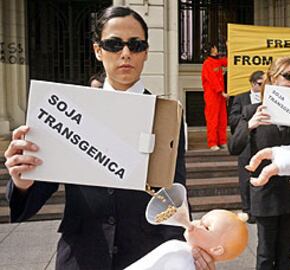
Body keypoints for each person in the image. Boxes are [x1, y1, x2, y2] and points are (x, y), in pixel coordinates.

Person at [4, 6, 214, 270]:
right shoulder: (69, 111)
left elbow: (173, 194)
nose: (125, 53)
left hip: (148, 256)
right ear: (98, 50)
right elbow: (35, 194)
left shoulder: (167, 116)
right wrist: (23, 182)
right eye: (114, 44)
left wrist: (186, 247)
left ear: (146, 52)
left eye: (135, 45)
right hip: (82, 256)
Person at [228, 56, 290, 270]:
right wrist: (249, 125)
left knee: (286, 255)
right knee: (266, 254)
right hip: (266, 194)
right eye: (288, 76)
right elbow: (234, 147)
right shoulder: (252, 110)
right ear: (273, 78)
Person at [125, 209, 248, 269]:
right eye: (201, 219)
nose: (196, 222)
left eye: (205, 227)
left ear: (216, 249)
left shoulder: (183, 258)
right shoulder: (178, 249)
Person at [228, 70, 264, 223]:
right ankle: (248, 209)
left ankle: (260, 209)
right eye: (260, 84)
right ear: (253, 83)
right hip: (246, 144)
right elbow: (233, 119)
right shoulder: (241, 97)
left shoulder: (269, 99)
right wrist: (248, 116)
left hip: (262, 144)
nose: (262, 87)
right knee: (245, 179)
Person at [201, 42, 228, 151]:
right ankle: (212, 143)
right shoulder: (207, 63)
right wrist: (221, 92)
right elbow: (213, 80)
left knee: (222, 119)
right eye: (215, 47)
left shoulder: (218, 61)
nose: (216, 49)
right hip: (212, 96)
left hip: (220, 95)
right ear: (212, 49)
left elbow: (229, 61)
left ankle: (222, 141)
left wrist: (229, 47)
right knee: (213, 119)